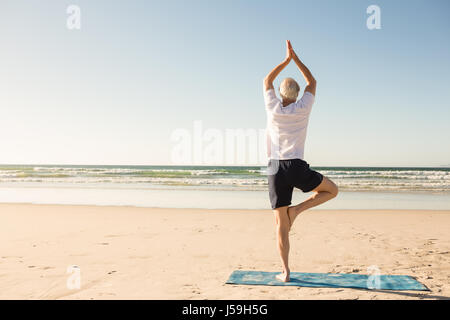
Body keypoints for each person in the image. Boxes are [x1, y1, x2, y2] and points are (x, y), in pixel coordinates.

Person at [263, 40, 339, 282]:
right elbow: (312, 82)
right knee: (332, 190)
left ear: (280, 94)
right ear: (296, 96)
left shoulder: (273, 107)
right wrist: (295, 59)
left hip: (275, 167)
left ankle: (285, 271)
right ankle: (298, 210)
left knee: (280, 224)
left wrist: (284, 61)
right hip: (296, 165)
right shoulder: (303, 107)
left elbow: (267, 81)